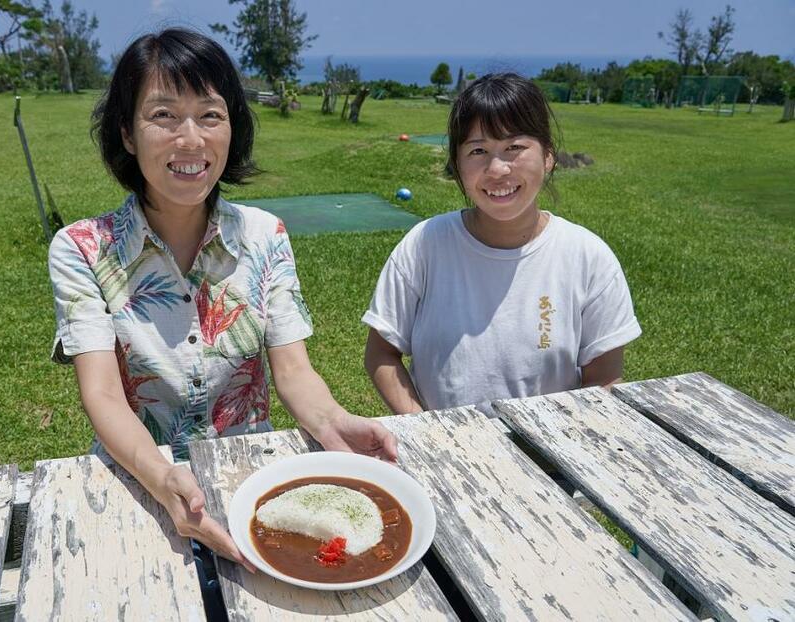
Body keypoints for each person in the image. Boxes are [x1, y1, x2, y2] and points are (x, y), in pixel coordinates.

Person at [47, 28, 397, 571]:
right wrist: (165, 480)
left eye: (210, 115)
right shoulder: (82, 249)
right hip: (138, 480)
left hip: (249, 478)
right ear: (128, 133)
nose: (191, 139)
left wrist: (331, 421)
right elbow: (104, 396)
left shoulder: (266, 236)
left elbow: (294, 370)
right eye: (163, 116)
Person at [363, 73, 641, 414]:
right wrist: (429, 430)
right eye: (478, 150)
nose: (497, 169)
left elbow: (604, 378)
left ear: (548, 156)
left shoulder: (587, 256)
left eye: (514, 148)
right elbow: (381, 353)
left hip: (550, 457)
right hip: (445, 450)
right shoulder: (424, 245)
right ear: (457, 164)